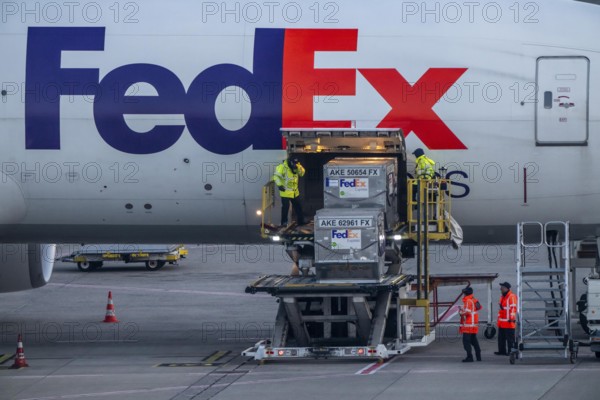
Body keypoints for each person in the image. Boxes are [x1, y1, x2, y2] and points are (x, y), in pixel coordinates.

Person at [273, 156, 305, 227]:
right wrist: (279, 185)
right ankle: (284, 223)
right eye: (293, 163)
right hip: (285, 191)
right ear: (290, 162)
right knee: (285, 208)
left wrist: (298, 168)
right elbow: (275, 176)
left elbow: (302, 173)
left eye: (296, 163)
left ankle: (301, 221)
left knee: (298, 207)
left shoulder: (297, 165)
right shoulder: (282, 167)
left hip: (294, 192)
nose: (294, 164)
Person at [459, 286, 481, 362]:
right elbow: (478, 307)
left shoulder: (468, 301)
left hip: (468, 325)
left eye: (464, 293)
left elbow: (467, 312)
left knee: (466, 342)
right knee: (474, 341)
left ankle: (469, 357)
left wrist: (461, 312)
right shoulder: (474, 300)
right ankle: (478, 357)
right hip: (473, 325)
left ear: (466, 293)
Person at [495, 281, 518, 356]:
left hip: (508, 322)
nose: (500, 289)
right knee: (501, 338)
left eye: (502, 288)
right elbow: (501, 309)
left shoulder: (511, 296)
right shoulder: (503, 297)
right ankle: (502, 351)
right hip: (502, 322)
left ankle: (510, 351)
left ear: (506, 288)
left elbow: (513, 308)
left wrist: (511, 318)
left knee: (510, 339)